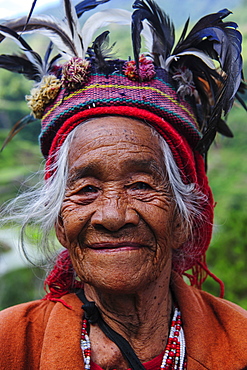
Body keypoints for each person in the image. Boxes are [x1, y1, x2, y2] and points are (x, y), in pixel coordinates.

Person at [0, 0, 247, 369]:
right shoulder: (11, 343)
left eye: (141, 185)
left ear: (183, 219)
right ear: (60, 224)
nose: (112, 216)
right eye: (86, 190)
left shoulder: (239, 343)